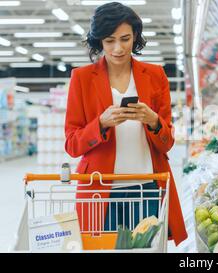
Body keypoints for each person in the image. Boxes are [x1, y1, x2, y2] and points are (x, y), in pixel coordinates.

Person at [64, 2, 187, 246]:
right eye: (109, 40)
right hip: (100, 192)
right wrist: (100, 123)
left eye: (125, 39)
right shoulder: (82, 78)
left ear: (135, 37)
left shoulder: (155, 75)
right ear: (98, 41)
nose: (118, 48)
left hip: (147, 188)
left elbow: (168, 143)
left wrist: (153, 120)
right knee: (103, 250)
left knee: (149, 250)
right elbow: (72, 144)